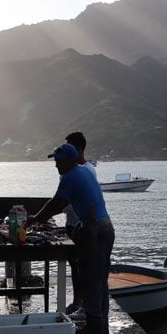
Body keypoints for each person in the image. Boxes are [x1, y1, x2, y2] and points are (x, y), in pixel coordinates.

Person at [29, 143, 114, 334]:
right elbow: (66, 202)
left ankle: (93, 327)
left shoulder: (70, 176)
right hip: (105, 228)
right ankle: (101, 326)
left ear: (70, 159)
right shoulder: (84, 171)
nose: (56, 165)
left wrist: (35, 220)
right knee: (100, 278)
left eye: (59, 161)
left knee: (91, 278)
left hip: (95, 231)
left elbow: (55, 203)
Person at [62, 131, 98, 315]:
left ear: (80, 148)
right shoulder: (70, 169)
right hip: (72, 223)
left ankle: (83, 304)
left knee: (84, 265)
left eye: (71, 146)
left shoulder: (87, 169)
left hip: (83, 224)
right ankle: (77, 301)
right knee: (75, 265)